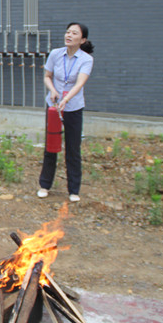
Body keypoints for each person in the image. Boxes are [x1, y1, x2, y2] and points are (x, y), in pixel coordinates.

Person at [37, 22, 95, 203]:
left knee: (73, 148)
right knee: (51, 145)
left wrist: (67, 99)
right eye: (68, 32)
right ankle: (45, 185)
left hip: (73, 107)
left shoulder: (86, 59)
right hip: (54, 107)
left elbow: (79, 83)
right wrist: (53, 90)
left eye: (74, 33)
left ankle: (74, 190)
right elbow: (47, 76)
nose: (69, 35)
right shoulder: (55, 54)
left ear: (82, 39)